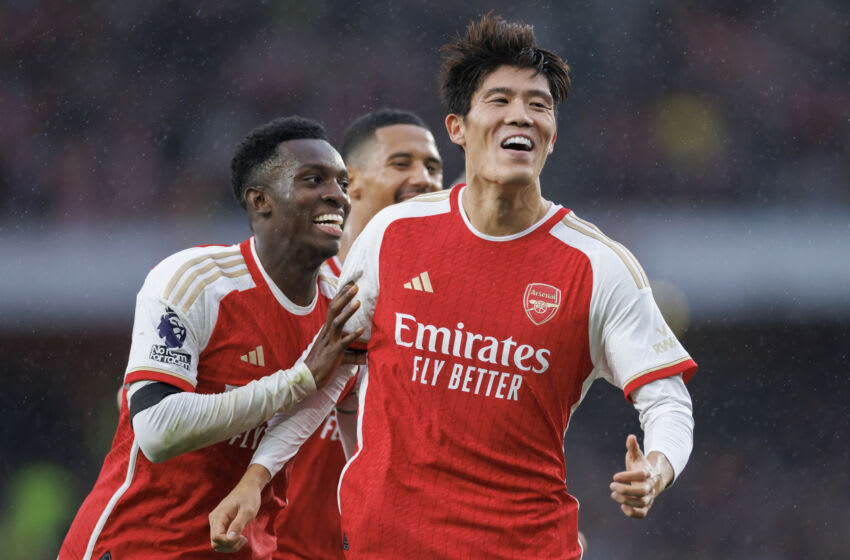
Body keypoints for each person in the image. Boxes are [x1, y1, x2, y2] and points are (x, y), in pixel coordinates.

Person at [331, 15, 697, 558]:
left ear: (552, 131)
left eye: (539, 104)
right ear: (457, 127)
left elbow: (668, 401)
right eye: (499, 100)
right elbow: (333, 368)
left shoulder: (598, 267)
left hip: (523, 547)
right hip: (382, 546)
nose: (520, 115)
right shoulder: (393, 232)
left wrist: (658, 466)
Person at [59, 116, 365, 560]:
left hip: (242, 547)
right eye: (313, 179)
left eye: (341, 182)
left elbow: (314, 399)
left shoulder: (339, 306)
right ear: (260, 201)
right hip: (139, 544)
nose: (336, 194)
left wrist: (255, 477)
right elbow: (156, 430)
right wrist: (295, 379)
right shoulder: (196, 281)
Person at [209, 108, 444, 557]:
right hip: (262, 546)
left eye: (434, 167)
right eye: (402, 163)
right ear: (348, 182)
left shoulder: (441, 307)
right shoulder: (294, 289)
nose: (425, 179)